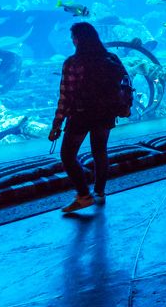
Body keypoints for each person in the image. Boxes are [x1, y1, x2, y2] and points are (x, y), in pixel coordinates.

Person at [48, 22, 127, 213]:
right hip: (106, 113)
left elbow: (66, 96)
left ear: (77, 39)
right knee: (100, 152)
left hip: (81, 114)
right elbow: (124, 83)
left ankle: (83, 195)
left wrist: (57, 123)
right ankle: (99, 192)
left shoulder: (73, 63)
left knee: (67, 155)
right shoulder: (111, 57)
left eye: (72, 37)